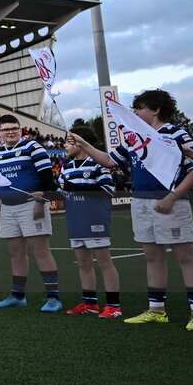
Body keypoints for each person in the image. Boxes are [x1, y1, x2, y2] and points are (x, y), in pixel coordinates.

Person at [68, 90, 193, 330]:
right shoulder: (133, 136)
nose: (135, 113)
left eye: (140, 108)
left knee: (185, 256)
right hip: (140, 202)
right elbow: (111, 161)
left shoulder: (176, 133)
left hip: (170, 202)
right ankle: (156, 309)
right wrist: (86, 145)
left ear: (156, 109)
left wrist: (172, 197)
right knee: (152, 257)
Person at [0, 115, 61, 312]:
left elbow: (47, 176)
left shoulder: (33, 147)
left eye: (15, 128)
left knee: (41, 251)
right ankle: (18, 296)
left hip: (32, 205)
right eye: (6, 129)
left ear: (20, 130)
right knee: (16, 253)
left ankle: (53, 298)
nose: (11, 131)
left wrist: (41, 200)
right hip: (8, 208)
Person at [60, 127, 121, 318]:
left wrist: (76, 188)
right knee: (83, 263)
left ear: (80, 142)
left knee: (104, 262)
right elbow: (62, 191)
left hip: (95, 219)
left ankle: (113, 306)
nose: (65, 146)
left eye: (69, 142)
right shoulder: (66, 167)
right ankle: (90, 303)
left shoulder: (98, 164)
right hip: (75, 220)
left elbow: (108, 190)